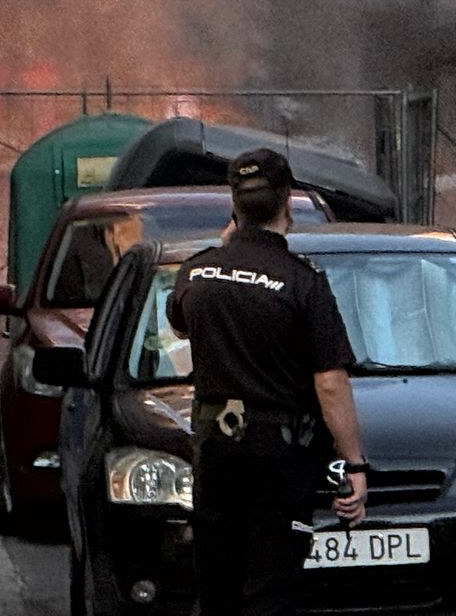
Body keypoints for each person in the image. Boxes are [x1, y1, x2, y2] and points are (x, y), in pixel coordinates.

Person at [164, 149, 368, 616]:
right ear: (289, 204)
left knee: (218, 585)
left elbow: (179, 326)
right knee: (271, 591)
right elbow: (330, 383)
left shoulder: (196, 272)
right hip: (279, 459)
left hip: (215, 451)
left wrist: (225, 244)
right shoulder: (303, 283)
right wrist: (354, 464)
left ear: (233, 206)